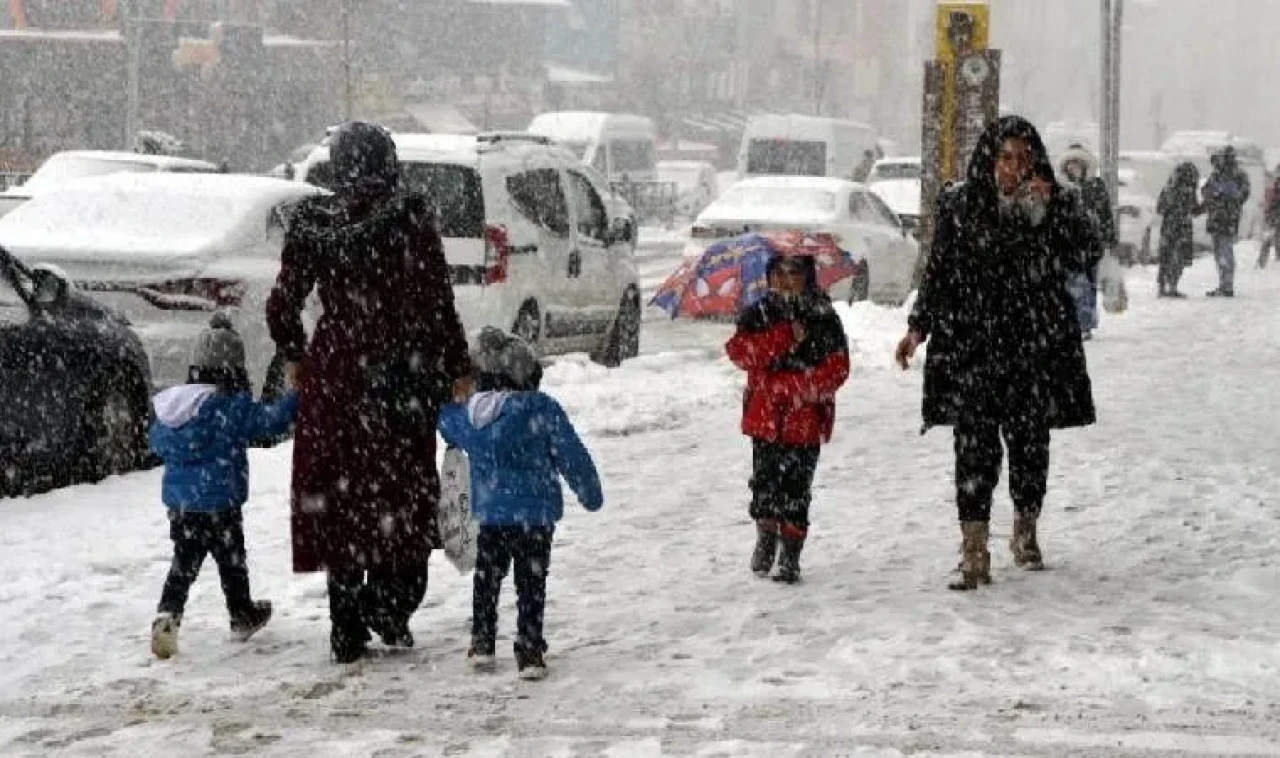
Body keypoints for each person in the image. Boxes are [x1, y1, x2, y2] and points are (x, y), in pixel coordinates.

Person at [266, 121, 472, 663]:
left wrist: (295, 353)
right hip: (400, 371)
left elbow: (282, 304)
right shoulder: (409, 217)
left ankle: (346, 625)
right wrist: (456, 365)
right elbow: (436, 300)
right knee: (398, 493)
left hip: (335, 372)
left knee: (340, 498)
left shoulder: (313, 222)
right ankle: (392, 605)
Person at [894, 115, 1097, 591]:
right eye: (1006, 157)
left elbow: (1086, 253)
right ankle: (974, 549)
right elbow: (940, 270)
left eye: (1024, 159)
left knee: (1030, 444)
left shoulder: (1053, 206)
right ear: (990, 158)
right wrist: (917, 328)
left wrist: (1055, 212)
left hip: (1033, 347)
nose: (1014, 168)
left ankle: (1025, 528)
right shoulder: (960, 204)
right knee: (974, 449)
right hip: (973, 346)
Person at [438, 328, 603, 681]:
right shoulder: (542, 409)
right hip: (536, 515)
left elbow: (448, 424)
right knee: (531, 582)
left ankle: (482, 642)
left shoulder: (471, 416)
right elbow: (572, 456)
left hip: (493, 516)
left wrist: (447, 399)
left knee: (488, 578)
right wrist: (590, 493)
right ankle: (529, 650)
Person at [148, 313, 300, 660]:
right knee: (232, 563)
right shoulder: (230, 407)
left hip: (183, 505)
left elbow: (156, 442)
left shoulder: (176, 408)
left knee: (183, 563)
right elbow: (271, 422)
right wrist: (296, 396)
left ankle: (167, 614)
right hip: (221, 504)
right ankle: (241, 613)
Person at [725, 254, 851, 584]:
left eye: (793, 272)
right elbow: (740, 352)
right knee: (764, 486)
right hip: (763, 419)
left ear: (807, 276)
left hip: (803, 420)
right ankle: (766, 539)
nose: (784, 279)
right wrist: (783, 338)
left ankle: (791, 554)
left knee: (796, 489)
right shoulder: (758, 314)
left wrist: (796, 389)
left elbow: (836, 369)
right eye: (777, 272)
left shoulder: (823, 317)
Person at [1058, 144, 1115, 340]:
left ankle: (1087, 323)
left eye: (1077, 164)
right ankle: (1081, 324)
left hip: (1092, 246)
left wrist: (1109, 240)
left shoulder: (1096, 186)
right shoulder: (1062, 189)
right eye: (1070, 164)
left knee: (1089, 286)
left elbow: (1105, 214)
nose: (1073, 168)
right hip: (1070, 246)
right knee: (1077, 286)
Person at [1201, 145, 1251, 297]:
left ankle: (1227, 285)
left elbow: (1243, 195)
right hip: (1221, 217)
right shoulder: (1218, 174)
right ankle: (1224, 284)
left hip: (1226, 218)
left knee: (1225, 251)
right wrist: (1213, 195)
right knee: (1220, 251)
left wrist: (1225, 197)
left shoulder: (1236, 174)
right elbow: (1206, 190)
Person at [1156, 162, 1203, 297]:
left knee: (1166, 257)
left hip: (1168, 227)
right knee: (1179, 258)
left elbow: (1160, 209)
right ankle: (1172, 286)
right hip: (1183, 228)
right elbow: (1194, 210)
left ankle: (1162, 286)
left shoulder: (1168, 189)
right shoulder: (1188, 191)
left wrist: (1170, 211)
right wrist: (1205, 206)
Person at [1255, 166, 1280, 269]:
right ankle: (1262, 262)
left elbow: (1271, 203)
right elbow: (1269, 202)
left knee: (1272, 239)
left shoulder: (1274, 188)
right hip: (1273, 217)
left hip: (1274, 217)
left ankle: (1264, 262)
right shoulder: (1273, 188)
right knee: (1269, 239)